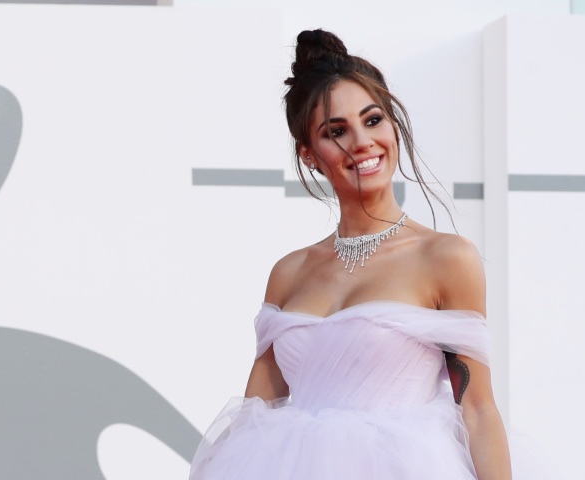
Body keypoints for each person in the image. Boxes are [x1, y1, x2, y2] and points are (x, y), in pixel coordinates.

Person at [189, 29, 512, 480]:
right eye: (336, 131)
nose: (362, 142)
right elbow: (253, 419)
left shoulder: (446, 258)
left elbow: (477, 411)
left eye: (373, 119)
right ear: (309, 155)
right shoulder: (288, 273)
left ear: (393, 126)